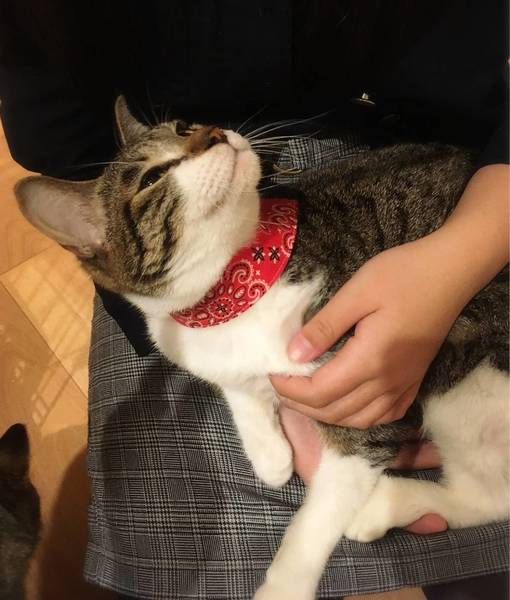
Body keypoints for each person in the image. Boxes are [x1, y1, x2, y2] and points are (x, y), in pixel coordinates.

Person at [0, 2, 508, 599]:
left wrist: (459, 257)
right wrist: (269, 397)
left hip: (473, 184)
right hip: (206, 237)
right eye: (159, 173)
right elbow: (57, 134)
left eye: (197, 134)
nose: (208, 140)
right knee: (169, 558)